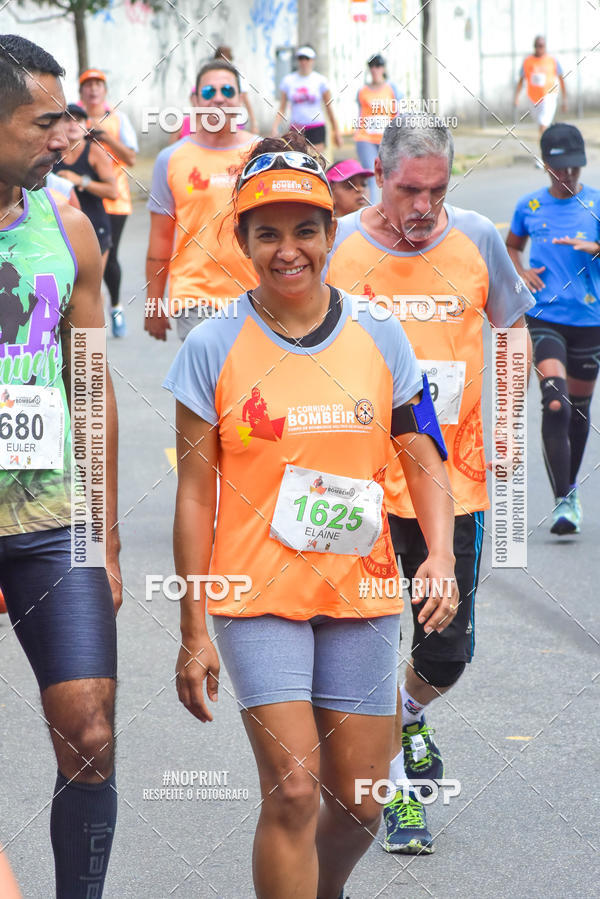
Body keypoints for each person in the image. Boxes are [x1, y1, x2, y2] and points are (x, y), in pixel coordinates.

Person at [163, 133, 458, 899]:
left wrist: (440, 556)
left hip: (359, 590)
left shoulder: (381, 334)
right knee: (293, 789)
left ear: (332, 233)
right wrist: (194, 630)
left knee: (362, 799)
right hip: (255, 592)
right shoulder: (211, 345)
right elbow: (195, 493)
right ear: (243, 240)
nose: (287, 249)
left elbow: (423, 450)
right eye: (268, 232)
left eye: (304, 230)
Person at [326, 116, 534, 854]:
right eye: (408, 189)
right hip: (361, 486)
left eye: (436, 190)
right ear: (378, 175)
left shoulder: (475, 237)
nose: (422, 206)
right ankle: (400, 799)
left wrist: (507, 415)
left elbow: (511, 325)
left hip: (455, 485)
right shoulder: (341, 247)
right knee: (369, 645)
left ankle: (409, 714)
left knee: (445, 653)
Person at [0, 34, 121, 898]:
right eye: (44, 122)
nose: (62, 138)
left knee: (90, 731)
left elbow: (90, 380)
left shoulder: (66, 222)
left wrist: (106, 530)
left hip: (51, 522)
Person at [506, 123, 600, 534]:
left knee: (578, 412)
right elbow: (511, 244)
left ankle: (570, 490)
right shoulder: (530, 207)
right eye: (561, 168)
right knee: (557, 402)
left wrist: (596, 248)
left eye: (575, 167)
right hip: (544, 317)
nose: (569, 175)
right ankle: (563, 498)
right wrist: (521, 270)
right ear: (545, 165)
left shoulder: (596, 204)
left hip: (590, 322)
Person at [145, 59, 258, 342]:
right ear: (195, 100)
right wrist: (154, 304)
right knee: (209, 384)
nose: (218, 98)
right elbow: (160, 240)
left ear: (240, 100)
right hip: (195, 298)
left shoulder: (263, 154)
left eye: (227, 91)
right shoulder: (170, 159)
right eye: (208, 92)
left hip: (259, 296)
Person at [79, 67, 138, 337]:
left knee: (109, 254)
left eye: (98, 85)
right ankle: (87, 310)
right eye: (88, 85)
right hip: (81, 198)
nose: (93, 89)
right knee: (82, 258)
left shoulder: (118, 119)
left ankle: (114, 307)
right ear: (81, 91)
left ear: (104, 91)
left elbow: (131, 158)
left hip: (115, 200)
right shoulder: (70, 117)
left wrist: (105, 137)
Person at [55, 103, 117, 273]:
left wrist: (81, 181)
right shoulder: (52, 153)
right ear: (58, 124)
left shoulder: (95, 152)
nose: (73, 124)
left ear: (86, 125)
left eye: (79, 119)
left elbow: (113, 192)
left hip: (95, 227)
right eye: (67, 119)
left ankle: (115, 300)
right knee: (70, 291)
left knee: (92, 292)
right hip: (63, 231)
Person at [272, 46, 342, 153]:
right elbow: (282, 108)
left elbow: (328, 107)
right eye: (301, 58)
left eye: (307, 58)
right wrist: (275, 127)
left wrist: (336, 130)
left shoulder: (320, 81)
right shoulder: (288, 81)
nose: (304, 62)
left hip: (316, 127)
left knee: (315, 160)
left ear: (312, 60)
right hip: (296, 129)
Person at [354, 54, 401, 203]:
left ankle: (391, 209)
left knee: (389, 175)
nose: (375, 69)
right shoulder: (362, 91)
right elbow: (360, 113)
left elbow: (397, 113)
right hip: (365, 138)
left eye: (378, 65)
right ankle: (371, 213)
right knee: (371, 174)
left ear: (384, 68)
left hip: (386, 139)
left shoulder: (391, 89)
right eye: (372, 66)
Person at [514, 35, 567, 136]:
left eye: (541, 46)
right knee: (541, 124)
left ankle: (544, 148)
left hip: (548, 96)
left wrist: (564, 100)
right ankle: (547, 143)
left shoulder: (552, 60)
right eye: (537, 46)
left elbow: (561, 80)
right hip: (533, 98)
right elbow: (521, 80)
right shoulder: (528, 61)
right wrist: (516, 97)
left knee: (543, 124)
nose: (539, 48)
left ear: (545, 46)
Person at [214, 45, 257, 133]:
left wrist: (254, 123)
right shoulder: (211, 76)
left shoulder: (238, 75)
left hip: (236, 120)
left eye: (226, 60)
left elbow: (245, 99)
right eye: (220, 60)